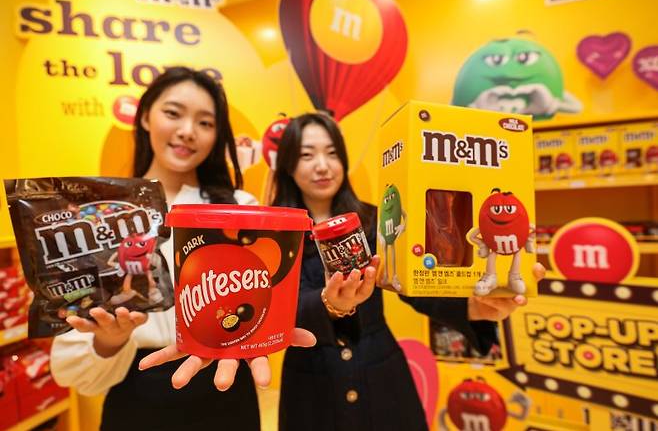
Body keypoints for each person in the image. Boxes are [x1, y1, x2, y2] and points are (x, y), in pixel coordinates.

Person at [49, 67, 315, 431]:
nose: (188, 131)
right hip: (136, 399)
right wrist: (109, 341)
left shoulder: (240, 208)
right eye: (173, 113)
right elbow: (70, 366)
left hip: (226, 390)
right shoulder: (103, 216)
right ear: (145, 116)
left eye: (205, 123)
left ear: (217, 135)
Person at [271, 112, 545, 431]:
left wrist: (472, 307)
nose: (322, 165)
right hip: (310, 385)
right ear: (288, 165)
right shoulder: (275, 234)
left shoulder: (376, 220)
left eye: (332, 153)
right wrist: (327, 304)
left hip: (381, 375)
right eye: (307, 155)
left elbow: (412, 282)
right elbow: (275, 307)